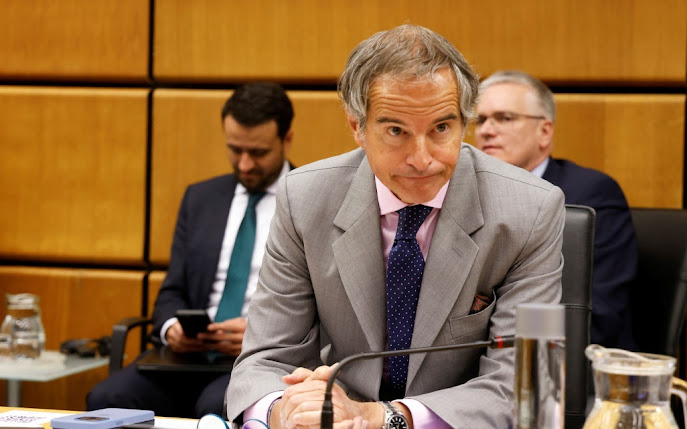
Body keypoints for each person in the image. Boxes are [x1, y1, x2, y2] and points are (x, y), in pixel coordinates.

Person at [226, 25, 565, 428]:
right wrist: (285, 409)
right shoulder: (305, 198)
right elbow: (265, 357)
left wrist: (384, 418)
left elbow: (532, 387)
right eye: (396, 131)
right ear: (357, 128)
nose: (422, 159)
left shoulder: (534, 209)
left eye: (441, 128)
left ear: (463, 122)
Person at [86, 82, 294, 417]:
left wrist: (260, 336)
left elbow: (325, 311)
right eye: (234, 149)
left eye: (257, 153)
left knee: (213, 406)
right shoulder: (200, 199)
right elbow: (172, 292)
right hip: (186, 358)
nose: (244, 165)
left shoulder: (309, 200)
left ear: (286, 139)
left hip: (260, 361)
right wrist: (173, 329)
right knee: (107, 398)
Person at [474, 70, 638, 350]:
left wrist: (503, 345)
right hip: (475, 365)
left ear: (544, 131)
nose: (486, 130)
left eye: (504, 118)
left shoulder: (591, 194)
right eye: (480, 120)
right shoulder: (467, 194)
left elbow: (596, 314)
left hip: (567, 367)